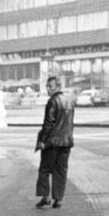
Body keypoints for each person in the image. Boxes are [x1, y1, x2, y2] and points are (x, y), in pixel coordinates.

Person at [34, 73, 76, 209]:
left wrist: (42, 140)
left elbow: (48, 123)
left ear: (58, 86)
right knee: (61, 170)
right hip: (67, 141)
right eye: (47, 86)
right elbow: (71, 123)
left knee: (44, 169)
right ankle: (58, 199)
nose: (48, 89)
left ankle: (45, 197)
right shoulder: (69, 101)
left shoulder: (52, 101)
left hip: (52, 142)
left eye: (50, 86)